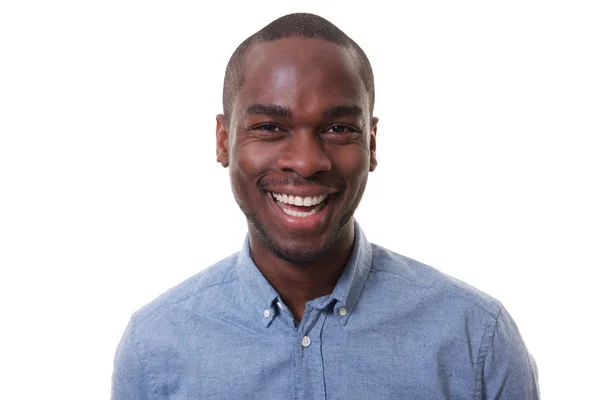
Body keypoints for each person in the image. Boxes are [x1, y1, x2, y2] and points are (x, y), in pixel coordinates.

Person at [112, 12, 539, 399]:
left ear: (371, 143)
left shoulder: (475, 339)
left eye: (337, 128)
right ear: (224, 141)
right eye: (270, 127)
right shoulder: (155, 348)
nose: (306, 161)